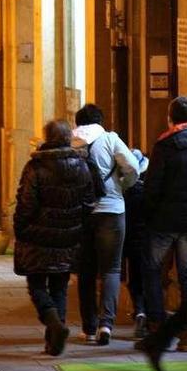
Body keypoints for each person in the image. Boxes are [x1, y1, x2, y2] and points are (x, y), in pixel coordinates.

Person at [14, 120, 95, 356]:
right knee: (59, 287)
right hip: (69, 237)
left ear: (47, 137)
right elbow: (89, 201)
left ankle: (55, 326)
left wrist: (21, 228)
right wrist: (77, 226)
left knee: (37, 285)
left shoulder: (36, 166)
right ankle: (53, 341)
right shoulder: (81, 165)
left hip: (39, 236)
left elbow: (26, 203)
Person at [141, 96, 187, 350]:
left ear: (170, 117)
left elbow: (152, 187)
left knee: (150, 269)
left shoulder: (163, 146)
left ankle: (158, 327)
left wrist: (149, 215)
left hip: (163, 221)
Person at [71, 103, 140, 345]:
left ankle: (88, 327)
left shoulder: (71, 143)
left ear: (78, 122)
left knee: (85, 272)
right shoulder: (110, 139)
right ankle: (106, 325)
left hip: (82, 215)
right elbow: (132, 166)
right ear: (100, 121)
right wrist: (123, 185)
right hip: (112, 211)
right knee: (111, 269)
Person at [122, 149, 149, 339]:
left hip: (129, 240)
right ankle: (149, 314)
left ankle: (139, 310)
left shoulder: (125, 191)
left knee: (134, 278)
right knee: (150, 276)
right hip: (149, 240)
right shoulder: (149, 189)